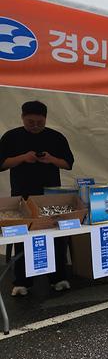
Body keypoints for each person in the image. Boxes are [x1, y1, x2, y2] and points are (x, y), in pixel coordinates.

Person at [0, 101, 74, 297]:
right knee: (23, 237)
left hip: (50, 196)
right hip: (22, 196)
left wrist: (50, 159)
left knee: (56, 236)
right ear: (22, 117)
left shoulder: (56, 137)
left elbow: (67, 164)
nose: (35, 125)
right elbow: (1, 163)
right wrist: (23, 157)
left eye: (39, 122)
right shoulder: (11, 137)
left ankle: (58, 278)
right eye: (30, 122)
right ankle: (22, 282)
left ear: (46, 119)